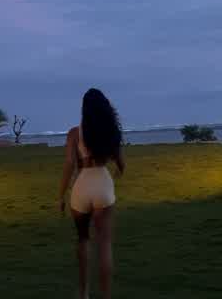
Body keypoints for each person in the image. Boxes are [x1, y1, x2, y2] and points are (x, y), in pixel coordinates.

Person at [59, 88, 125, 299]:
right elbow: (121, 164)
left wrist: (60, 195)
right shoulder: (111, 131)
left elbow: (69, 165)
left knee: (83, 240)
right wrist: (116, 173)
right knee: (104, 246)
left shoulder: (74, 133)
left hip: (82, 186)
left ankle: (84, 293)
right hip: (103, 183)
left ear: (84, 109)